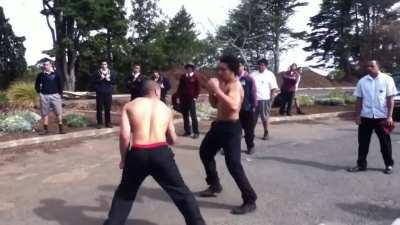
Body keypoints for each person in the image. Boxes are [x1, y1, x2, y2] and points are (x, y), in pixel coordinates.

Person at [103, 81, 206, 225]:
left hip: (138, 153)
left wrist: (123, 159)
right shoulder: (165, 108)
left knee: (124, 194)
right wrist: (169, 141)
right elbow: (172, 139)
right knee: (181, 193)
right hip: (160, 152)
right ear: (157, 92)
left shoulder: (130, 106)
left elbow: (125, 136)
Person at [198, 55, 257, 215]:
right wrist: (212, 92)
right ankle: (214, 184)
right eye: (219, 68)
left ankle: (250, 199)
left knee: (233, 165)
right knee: (205, 152)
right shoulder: (223, 83)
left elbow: (233, 106)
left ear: (233, 71)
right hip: (218, 126)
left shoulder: (236, 86)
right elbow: (215, 104)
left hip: (231, 128)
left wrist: (216, 89)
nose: (219, 72)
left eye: (223, 69)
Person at [347, 60, 397, 175]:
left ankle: (388, 164)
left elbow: (390, 99)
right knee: (363, 143)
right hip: (366, 117)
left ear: (378, 67)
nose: (369, 68)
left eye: (372, 66)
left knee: (385, 143)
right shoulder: (362, 82)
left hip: (382, 118)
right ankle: (361, 165)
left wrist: (389, 116)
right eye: (367, 66)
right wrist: (357, 115)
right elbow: (359, 100)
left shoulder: (387, 80)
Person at [35, 59, 66, 135]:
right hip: (44, 96)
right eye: (44, 65)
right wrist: (40, 92)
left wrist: (60, 94)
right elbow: (36, 85)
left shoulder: (57, 74)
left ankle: (61, 129)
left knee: (58, 112)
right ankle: (45, 130)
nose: (45, 66)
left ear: (51, 65)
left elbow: (61, 85)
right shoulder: (40, 75)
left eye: (47, 65)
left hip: (55, 95)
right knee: (45, 113)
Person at [250, 59, 279, 140]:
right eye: (259, 64)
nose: (261, 66)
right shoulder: (253, 74)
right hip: (254, 100)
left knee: (264, 117)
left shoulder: (270, 74)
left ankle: (266, 132)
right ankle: (251, 132)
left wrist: (271, 99)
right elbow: (249, 86)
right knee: (253, 118)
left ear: (266, 66)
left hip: (265, 99)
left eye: (263, 65)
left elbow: (273, 88)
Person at [176, 64, 200, 139]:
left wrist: (195, 97)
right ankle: (187, 131)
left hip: (191, 99)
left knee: (193, 115)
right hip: (183, 98)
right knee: (185, 115)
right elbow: (180, 87)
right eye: (187, 68)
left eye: (190, 68)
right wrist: (178, 97)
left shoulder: (195, 77)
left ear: (192, 69)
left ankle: (196, 132)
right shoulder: (183, 77)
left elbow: (198, 88)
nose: (188, 69)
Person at [238, 61, 257, 154]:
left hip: (247, 108)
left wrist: (253, 105)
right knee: (235, 129)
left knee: (248, 130)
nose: (238, 67)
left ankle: (250, 146)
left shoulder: (249, 79)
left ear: (243, 67)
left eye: (239, 65)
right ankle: (232, 148)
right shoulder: (233, 78)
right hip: (235, 109)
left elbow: (253, 93)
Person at [92, 60, 116, 129]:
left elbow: (114, 82)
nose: (104, 65)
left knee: (107, 109)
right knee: (99, 109)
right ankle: (99, 123)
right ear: (101, 65)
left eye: (105, 64)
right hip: (100, 93)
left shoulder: (111, 72)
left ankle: (108, 122)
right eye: (102, 64)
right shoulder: (97, 73)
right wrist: (100, 79)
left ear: (107, 65)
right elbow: (93, 82)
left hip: (108, 93)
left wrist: (109, 79)